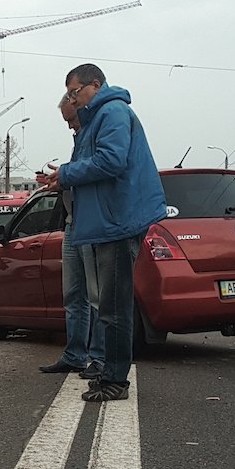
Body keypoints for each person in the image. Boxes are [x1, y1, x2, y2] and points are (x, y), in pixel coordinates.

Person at [37, 63, 166, 402]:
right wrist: (62, 178)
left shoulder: (113, 112)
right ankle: (109, 373)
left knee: (115, 306)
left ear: (95, 84)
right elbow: (91, 168)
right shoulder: (98, 117)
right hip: (109, 220)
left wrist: (67, 173)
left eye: (74, 92)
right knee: (108, 305)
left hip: (119, 220)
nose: (72, 99)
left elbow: (111, 161)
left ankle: (116, 381)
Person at [38, 95, 105, 380]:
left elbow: (99, 171)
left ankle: (100, 359)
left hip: (91, 225)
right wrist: (60, 182)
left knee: (96, 297)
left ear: (83, 110)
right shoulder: (79, 138)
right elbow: (80, 177)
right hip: (72, 224)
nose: (70, 126)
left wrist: (66, 175)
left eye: (71, 120)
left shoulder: (97, 133)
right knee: (74, 295)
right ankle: (75, 355)